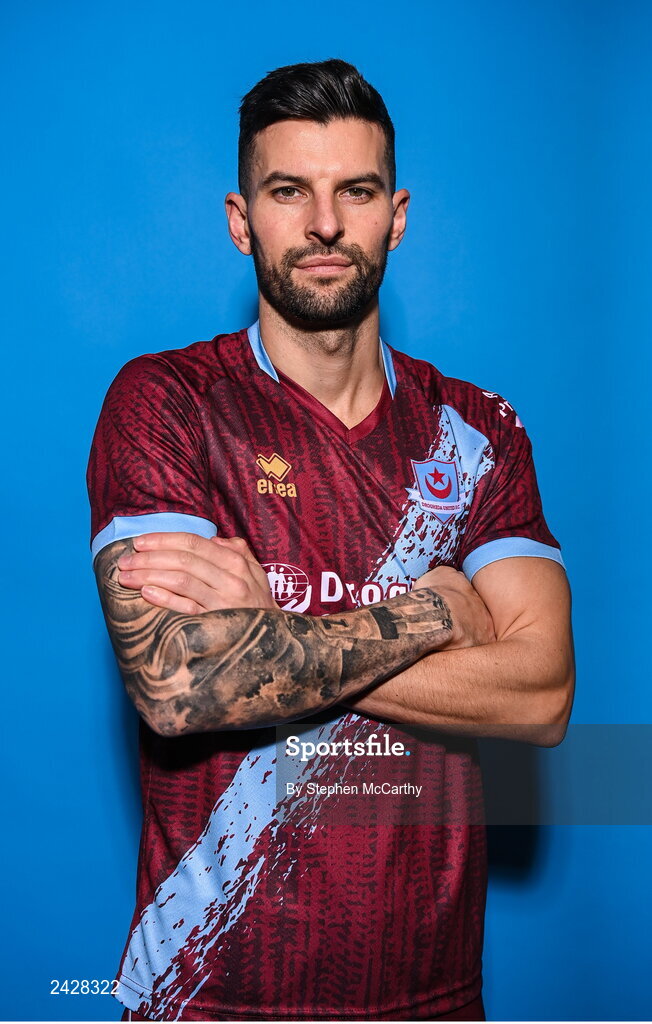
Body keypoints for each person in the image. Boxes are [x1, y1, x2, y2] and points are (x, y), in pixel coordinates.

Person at [87, 58, 574, 1022]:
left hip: (428, 991)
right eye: (287, 191)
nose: (323, 224)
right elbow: (182, 685)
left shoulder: (476, 433)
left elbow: (545, 693)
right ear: (241, 221)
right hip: (209, 990)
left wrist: (270, 635)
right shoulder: (166, 404)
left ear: (396, 216)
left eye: (354, 191)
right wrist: (435, 613)